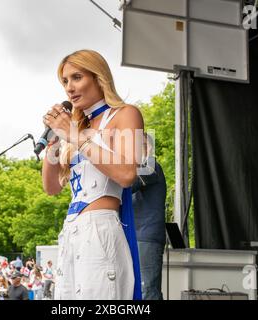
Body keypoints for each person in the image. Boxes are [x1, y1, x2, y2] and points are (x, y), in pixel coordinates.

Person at [41, 49, 144, 300]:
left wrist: (73, 135)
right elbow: (52, 187)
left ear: (99, 78)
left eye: (77, 77)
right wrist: (54, 139)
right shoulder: (77, 128)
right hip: (71, 229)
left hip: (101, 227)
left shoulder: (125, 113)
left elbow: (127, 173)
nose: (69, 87)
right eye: (65, 81)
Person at [132, 133, 167, 300]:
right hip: (136, 236)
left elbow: (130, 185)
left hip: (146, 237)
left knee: (148, 291)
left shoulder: (151, 165)